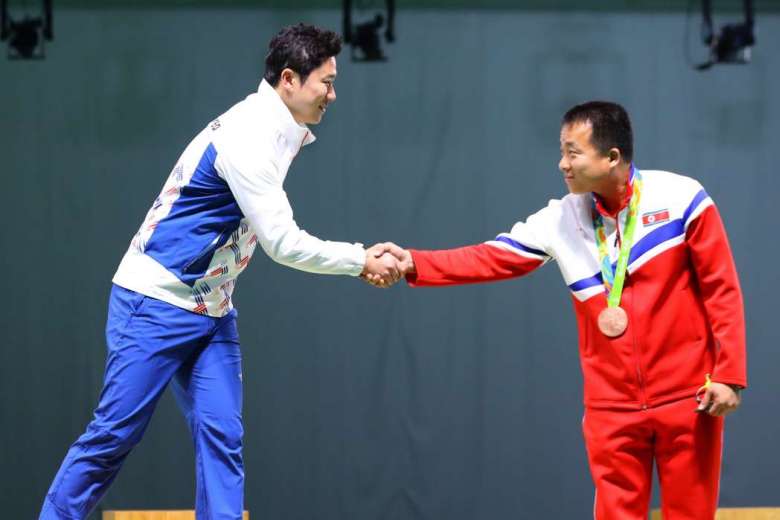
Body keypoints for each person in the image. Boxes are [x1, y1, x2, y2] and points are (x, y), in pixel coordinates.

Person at [39, 23, 401, 520]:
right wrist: (360, 259)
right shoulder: (248, 136)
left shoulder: (283, 130)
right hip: (153, 304)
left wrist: (360, 258)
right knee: (112, 437)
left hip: (212, 310)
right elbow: (282, 243)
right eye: (327, 82)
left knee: (223, 436)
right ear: (290, 80)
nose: (333, 95)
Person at [371, 101, 747, 519]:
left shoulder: (682, 198)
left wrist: (729, 375)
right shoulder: (560, 219)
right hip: (611, 408)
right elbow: (490, 257)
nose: (562, 164)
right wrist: (414, 262)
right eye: (562, 151)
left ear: (612, 157)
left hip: (688, 398)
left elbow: (722, 289)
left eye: (572, 152)